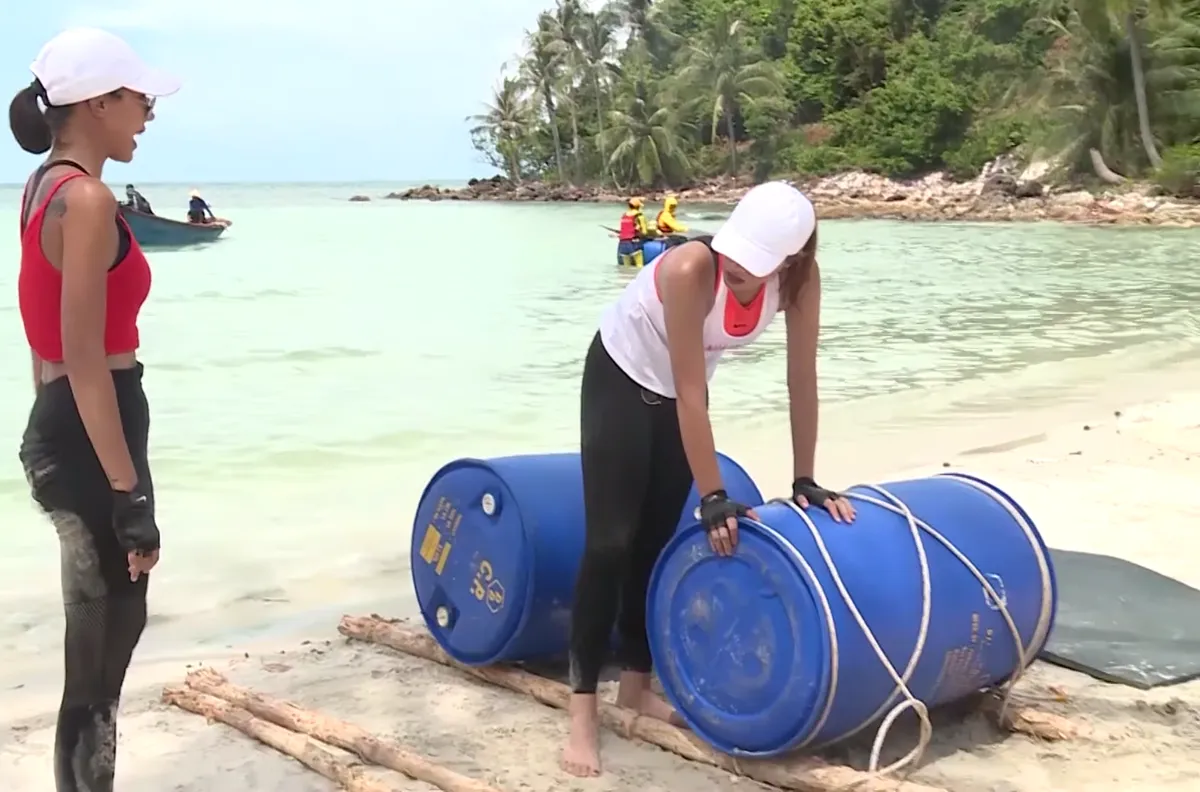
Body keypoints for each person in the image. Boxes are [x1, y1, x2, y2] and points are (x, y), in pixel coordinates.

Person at [561, 181, 858, 777]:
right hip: (620, 379)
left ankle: (637, 687)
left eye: (755, 265)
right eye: (736, 254)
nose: (739, 271)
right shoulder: (692, 268)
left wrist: (806, 478)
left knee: (654, 541)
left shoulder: (800, 281)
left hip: (677, 393)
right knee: (610, 542)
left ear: (790, 260)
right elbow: (692, 395)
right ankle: (581, 711)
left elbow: (802, 379)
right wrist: (715, 496)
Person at [9, 26, 179, 792]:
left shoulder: (45, 184)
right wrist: (126, 491)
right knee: (101, 650)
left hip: (74, 424)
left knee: (107, 637)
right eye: (139, 99)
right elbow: (82, 355)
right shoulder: (85, 196)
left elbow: (48, 341)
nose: (147, 112)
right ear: (99, 102)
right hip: (89, 431)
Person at [616, 196, 655, 268]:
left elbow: (625, 230)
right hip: (634, 243)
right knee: (639, 267)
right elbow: (644, 232)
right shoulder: (639, 216)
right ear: (638, 207)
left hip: (622, 244)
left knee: (626, 269)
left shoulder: (624, 216)